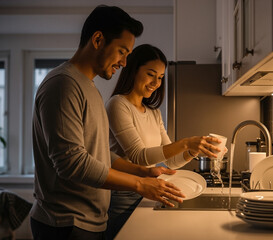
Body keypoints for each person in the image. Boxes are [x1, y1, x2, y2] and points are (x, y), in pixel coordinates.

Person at [30, 6, 185, 240]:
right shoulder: (63, 85)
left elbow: (98, 152)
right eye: (122, 51)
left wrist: (141, 171)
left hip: (88, 221)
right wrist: (139, 185)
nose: (124, 62)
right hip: (66, 224)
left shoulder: (88, 87)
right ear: (98, 39)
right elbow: (71, 162)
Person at [105, 44, 223, 239]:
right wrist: (186, 143)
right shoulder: (118, 104)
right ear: (133, 70)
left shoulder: (154, 113)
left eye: (160, 77)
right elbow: (139, 156)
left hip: (151, 189)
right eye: (151, 74)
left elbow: (171, 161)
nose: (156, 82)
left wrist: (194, 150)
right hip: (124, 194)